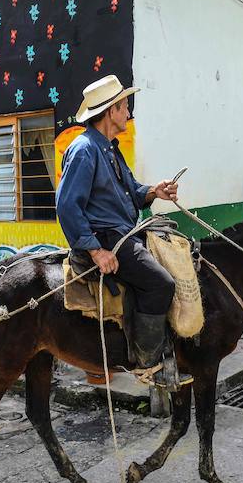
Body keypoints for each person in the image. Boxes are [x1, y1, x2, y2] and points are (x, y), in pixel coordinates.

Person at [55, 74, 180, 389]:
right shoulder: (84, 150)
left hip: (126, 233)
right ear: (110, 111)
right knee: (160, 284)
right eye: (125, 107)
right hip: (109, 238)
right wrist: (95, 250)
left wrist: (155, 191)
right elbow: (68, 206)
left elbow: (132, 193)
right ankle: (148, 363)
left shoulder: (110, 148)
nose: (129, 113)